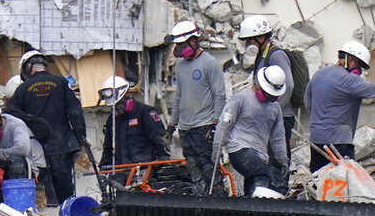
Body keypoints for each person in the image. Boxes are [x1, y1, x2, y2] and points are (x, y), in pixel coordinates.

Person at [305, 40, 375, 173]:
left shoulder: (319, 74)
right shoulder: (348, 80)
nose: (358, 71)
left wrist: (318, 122)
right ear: (350, 60)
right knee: (345, 180)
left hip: (316, 139)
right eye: (358, 66)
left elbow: (307, 101)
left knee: (319, 179)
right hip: (339, 142)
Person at [8, 50, 87, 205]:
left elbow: (14, 119)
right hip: (62, 145)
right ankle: (68, 214)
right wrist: (81, 138)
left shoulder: (22, 89)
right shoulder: (61, 83)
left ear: (27, 68)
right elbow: (75, 112)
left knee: (45, 189)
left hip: (37, 148)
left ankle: (51, 215)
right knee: (65, 188)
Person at [165, 20, 227, 194]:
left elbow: (220, 95)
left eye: (182, 44)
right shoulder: (180, 66)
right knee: (192, 164)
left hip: (204, 126)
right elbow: (178, 96)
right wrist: (172, 125)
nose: (179, 49)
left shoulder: (210, 63)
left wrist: (215, 124)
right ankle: (201, 201)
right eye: (177, 45)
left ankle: (219, 199)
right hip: (186, 127)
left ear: (194, 40)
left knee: (208, 165)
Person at [239, 15, 296, 194]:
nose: (247, 44)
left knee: (276, 160)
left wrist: (274, 110)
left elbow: (289, 85)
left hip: (279, 119)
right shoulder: (262, 56)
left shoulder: (276, 55)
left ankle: (277, 196)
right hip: (265, 120)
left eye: (249, 40)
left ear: (261, 37)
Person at [212, 65, 288, 197]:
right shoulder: (241, 99)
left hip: (260, 155)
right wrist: (217, 150)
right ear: (259, 84)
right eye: (267, 93)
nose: (270, 97)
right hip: (240, 151)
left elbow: (278, 137)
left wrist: (283, 160)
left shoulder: (275, 108)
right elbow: (224, 125)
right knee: (269, 173)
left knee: (260, 182)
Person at [98, 76, 169, 180]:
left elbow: (160, 140)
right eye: (113, 106)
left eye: (118, 104)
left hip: (144, 172)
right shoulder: (112, 120)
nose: (116, 109)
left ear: (127, 95)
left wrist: (163, 164)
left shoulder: (145, 113)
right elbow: (108, 148)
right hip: (121, 173)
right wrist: (103, 170)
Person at [0, 109, 47, 179]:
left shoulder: (16, 125)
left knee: (16, 164)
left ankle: (19, 191)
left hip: (31, 167)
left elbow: (22, 149)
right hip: (4, 168)